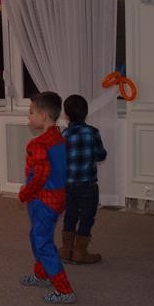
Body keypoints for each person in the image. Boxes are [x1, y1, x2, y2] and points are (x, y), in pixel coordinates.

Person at [18, 91, 76, 304]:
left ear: (43, 115)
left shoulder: (39, 144)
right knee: (37, 235)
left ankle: (64, 290)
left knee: (42, 242)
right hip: (57, 197)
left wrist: (25, 193)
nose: (29, 117)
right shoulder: (59, 138)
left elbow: (40, 176)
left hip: (43, 200)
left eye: (31, 112)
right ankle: (42, 274)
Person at [59, 94, 107, 264]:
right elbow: (101, 155)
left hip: (69, 184)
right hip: (88, 185)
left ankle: (66, 250)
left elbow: (61, 159)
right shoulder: (93, 132)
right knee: (87, 216)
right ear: (86, 112)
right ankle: (80, 252)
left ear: (66, 114)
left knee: (70, 214)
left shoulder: (65, 134)